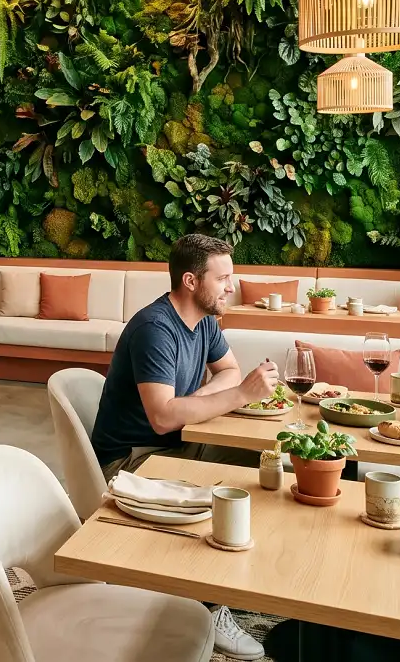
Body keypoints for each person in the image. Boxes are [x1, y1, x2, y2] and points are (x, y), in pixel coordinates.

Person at [88, 233, 277, 661]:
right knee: (229, 487)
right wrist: (238, 396)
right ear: (191, 281)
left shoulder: (205, 319)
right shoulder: (155, 329)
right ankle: (207, 607)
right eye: (223, 278)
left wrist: (199, 401)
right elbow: (163, 416)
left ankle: (238, 572)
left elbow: (228, 370)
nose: (232, 287)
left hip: (176, 442)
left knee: (265, 465)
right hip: (132, 460)